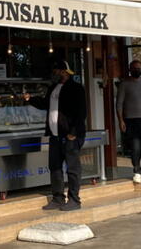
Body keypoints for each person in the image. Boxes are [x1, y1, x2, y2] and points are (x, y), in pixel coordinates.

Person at [25, 60, 87, 211]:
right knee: (55, 167)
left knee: (72, 168)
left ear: (64, 72)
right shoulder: (53, 88)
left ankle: (74, 200)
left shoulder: (76, 88)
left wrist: (73, 132)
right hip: (55, 135)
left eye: (56, 71)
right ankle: (58, 198)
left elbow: (81, 112)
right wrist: (30, 99)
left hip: (70, 136)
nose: (54, 74)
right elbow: (45, 104)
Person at [116, 60, 141, 187]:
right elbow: (119, 104)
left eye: (139, 68)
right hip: (130, 120)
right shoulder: (124, 84)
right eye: (135, 68)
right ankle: (137, 171)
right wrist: (120, 120)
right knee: (135, 148)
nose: (138, 70)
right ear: (130, 69)